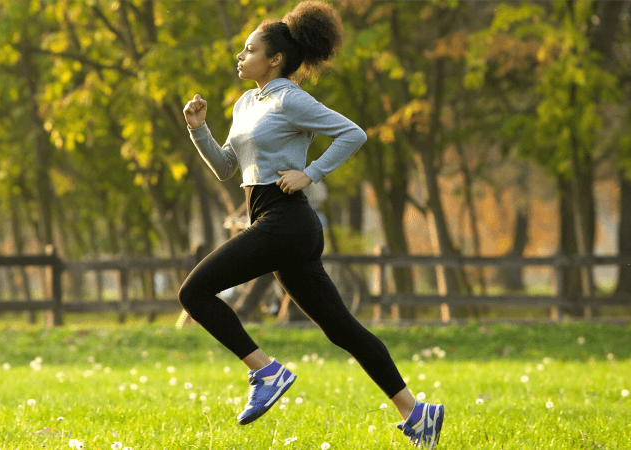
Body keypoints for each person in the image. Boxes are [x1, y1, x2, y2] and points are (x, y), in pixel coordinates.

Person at [179, 1, 444, 447]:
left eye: (249, 50)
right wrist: (198, 129)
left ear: (276, 59)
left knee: (193, 292)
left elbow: (353, 133)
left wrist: (311, 172)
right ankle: (417, 413)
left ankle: (266, 371)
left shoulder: (290, 98)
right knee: (342, 328)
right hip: (273, 221)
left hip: (287, 221)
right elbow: (227, 167)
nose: (240, 57)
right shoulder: (246, 102)